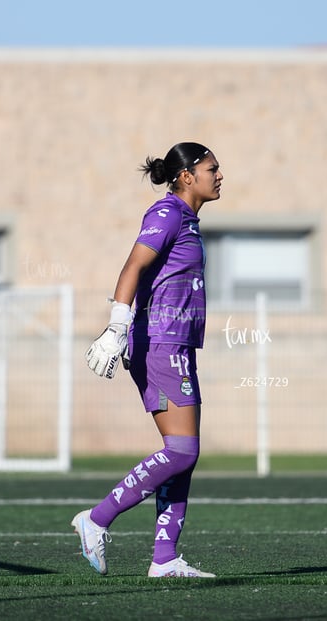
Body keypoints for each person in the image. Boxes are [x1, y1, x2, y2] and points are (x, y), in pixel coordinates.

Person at [71, 141, 223, 578]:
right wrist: (116, 328)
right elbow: (132, 266)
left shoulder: (189, 220)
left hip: (176, 344)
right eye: (212, 168)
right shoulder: (168, 213)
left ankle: (165, 558)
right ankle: (96, 519)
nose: (220, 175)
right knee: (182, 451)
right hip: (159, 342)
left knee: (183, 454)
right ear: (187, 176)